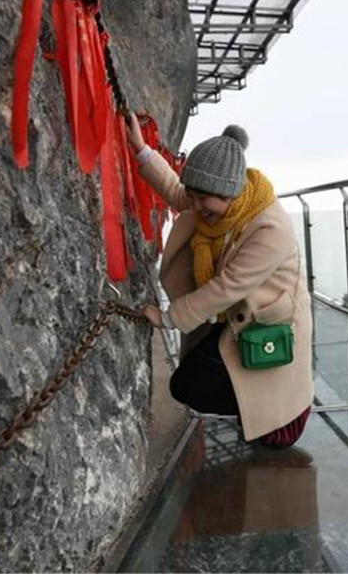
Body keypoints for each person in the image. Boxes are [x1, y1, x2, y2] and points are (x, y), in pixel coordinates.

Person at [125, 113, 313, 448]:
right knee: (187, 385)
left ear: (230, 193)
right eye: (193, 196)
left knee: (275, 432)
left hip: (267, 324)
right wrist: (141, 150)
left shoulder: (270, 228)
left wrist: (169, 318)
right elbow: (176, 191)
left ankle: (272, 410)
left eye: (203, 199)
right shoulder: (218, 206)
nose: (194, 206)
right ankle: (252, 404)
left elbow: (227, 287)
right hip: (234, 320)